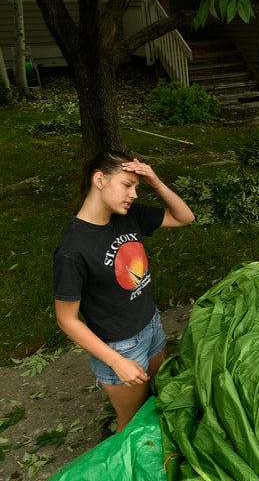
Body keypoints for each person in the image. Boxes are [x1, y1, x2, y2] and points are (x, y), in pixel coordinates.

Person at [53, 150, 195, 432]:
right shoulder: (73, 250)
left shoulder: (127, 216)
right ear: (100, 180)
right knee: (131, 424)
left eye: (137, 187)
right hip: (121, 346)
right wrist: (116, 361)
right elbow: (66, 319)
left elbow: (185, 217)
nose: (133, 195)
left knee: (160, 396)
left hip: (151, 326)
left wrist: (156, 182)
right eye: (127, 185)